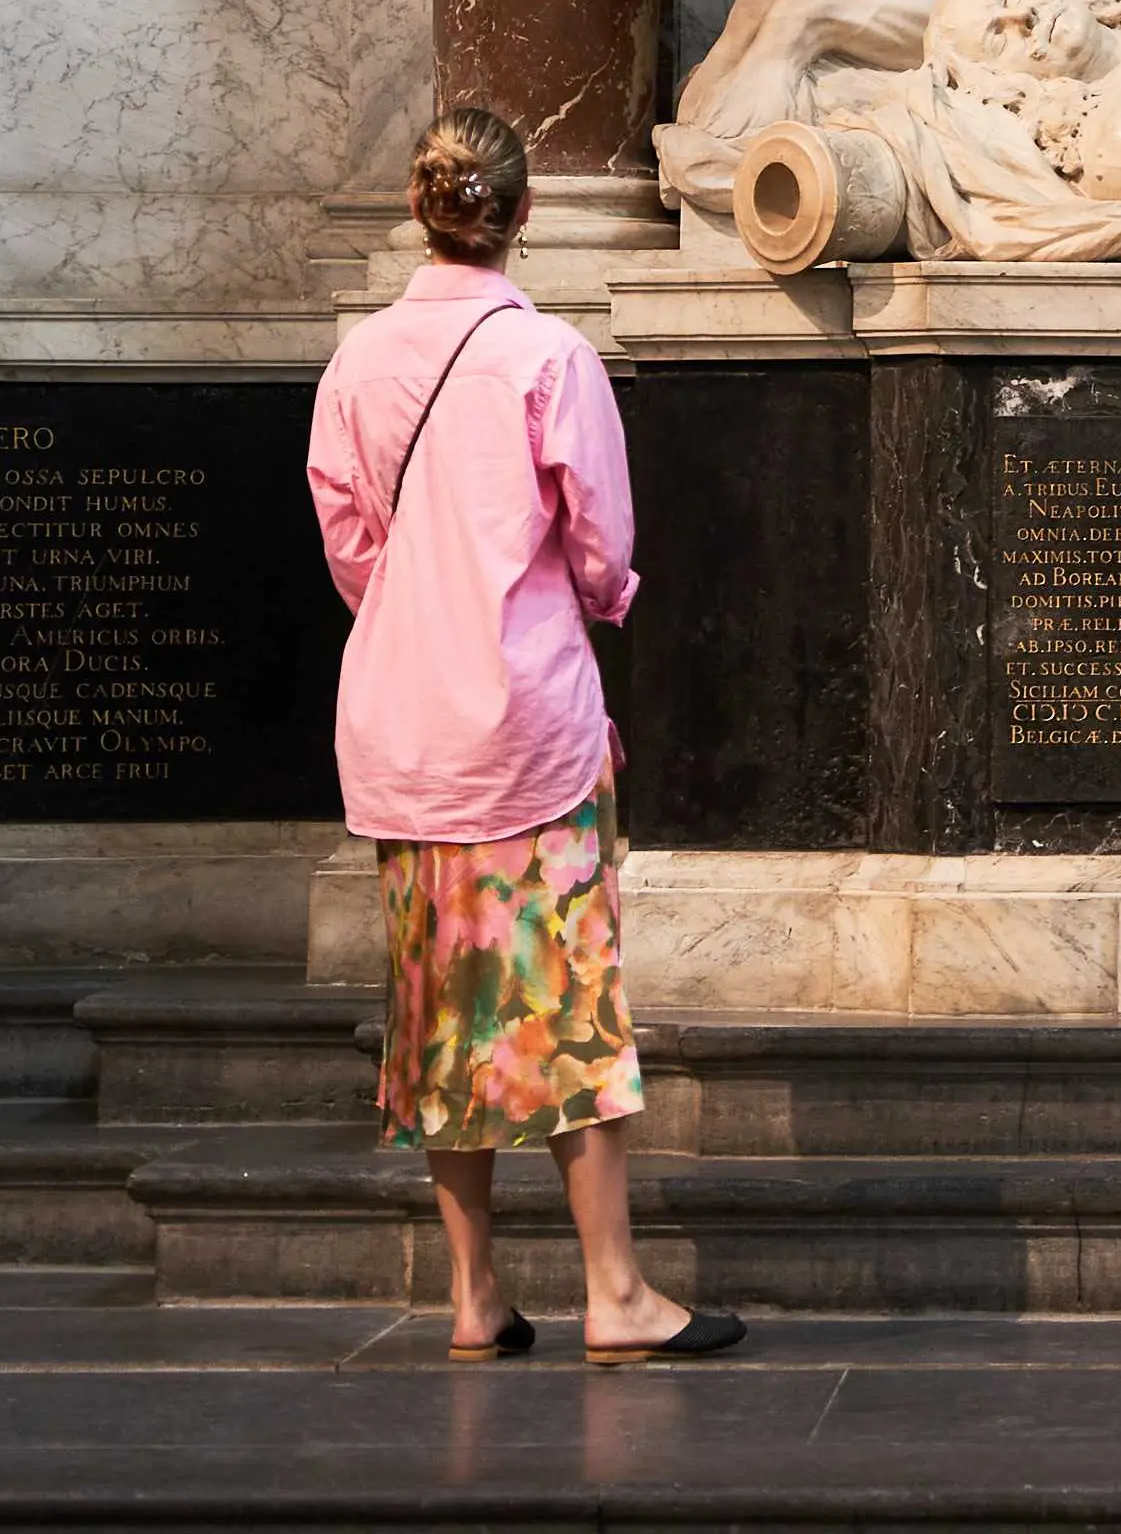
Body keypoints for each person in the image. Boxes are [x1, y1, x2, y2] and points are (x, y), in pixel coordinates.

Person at [306, 109, 742, 1364]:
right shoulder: (549, 357)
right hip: (526, 727)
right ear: (523, 213)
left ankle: (474, 1290)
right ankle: (613, 1291)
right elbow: (601, 544)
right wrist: (593, 600)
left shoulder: (356, 363)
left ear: (417, 202)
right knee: (572, 1001)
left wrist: (421, 606)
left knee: (437, 1008)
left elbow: (351, 549)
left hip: (401, 727)